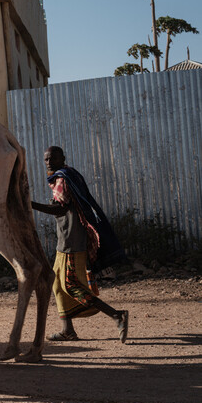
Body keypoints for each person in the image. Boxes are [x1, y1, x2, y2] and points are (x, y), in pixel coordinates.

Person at [31, 145, 129, 343]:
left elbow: (59, 209)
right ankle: (68, 330)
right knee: (57, 284)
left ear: (62, 158)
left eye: (53, 158)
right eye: (46, 160)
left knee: (71, 284)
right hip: (65, 240)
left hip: (72, 242)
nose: (49, 162)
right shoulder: (68, 175)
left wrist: (30, 204)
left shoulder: (63, 179)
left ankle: (116, 315)